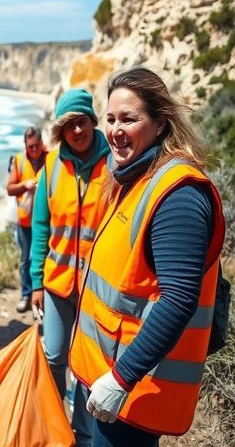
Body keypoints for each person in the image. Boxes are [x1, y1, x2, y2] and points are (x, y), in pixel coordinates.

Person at [70, 67, 225, 446]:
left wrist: (122, 378)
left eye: (129, 118)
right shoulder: (134, 177)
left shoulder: (178, 194)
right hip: (106, 375)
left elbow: (179, 299)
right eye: (110, 119)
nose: (115, 130)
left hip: (132, 388)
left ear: (159, 124)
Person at [30, 87, 109, 447]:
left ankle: (82, 432)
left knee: (91, 364)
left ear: (92, 122)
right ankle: (54, 422)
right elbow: (40, 229)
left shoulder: (116, 162)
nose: (77, 131)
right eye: (68, 126)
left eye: (82, 122)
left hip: (98, 287)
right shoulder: (50, 165)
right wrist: (35, 282)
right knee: (54, 356)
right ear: (60, 131)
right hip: (58, 282)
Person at [6, 126, 47, 314]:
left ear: (41, 142)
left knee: (39, 258)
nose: (34, 150)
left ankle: (41, 295)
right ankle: (26, 294)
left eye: (36, 145)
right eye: (30, 146)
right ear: (25, 145)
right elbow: (9, 188)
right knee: (25, 260)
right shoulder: (19, 160)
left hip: (46, 221)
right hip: (25, 221)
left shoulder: (51, 157)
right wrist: (24, 185)